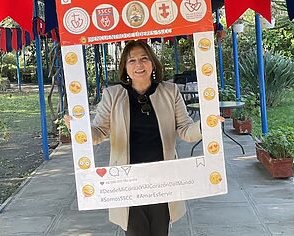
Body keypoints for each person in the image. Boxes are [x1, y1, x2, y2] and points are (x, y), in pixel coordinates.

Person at [64, 40, 202, 236]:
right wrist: (79, 129)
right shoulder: (112, 95)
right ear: (125, 67)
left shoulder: (170, 92)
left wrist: (206, 126)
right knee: (135, 231)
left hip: (163, 178)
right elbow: (99, 132)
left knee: (159, 231)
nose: (139, 65)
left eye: (144, 58)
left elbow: (185, 129)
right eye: (132, 60)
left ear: (153, 63)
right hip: (128, 182)